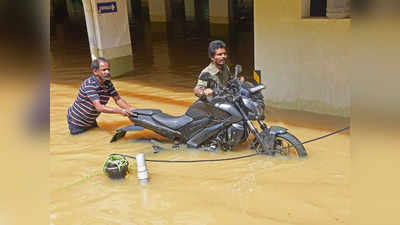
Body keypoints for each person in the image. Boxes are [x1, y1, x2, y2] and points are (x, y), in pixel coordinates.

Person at [67, 57, 135, 135]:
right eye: (104, 70)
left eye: (108, 69)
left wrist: (131, 109)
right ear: (95, 72)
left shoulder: (108, 83)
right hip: (77, 122)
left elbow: (118, 99)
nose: (107, 72)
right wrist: (121, 111)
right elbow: (99, 107)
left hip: (91, 120)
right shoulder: (89, 85)